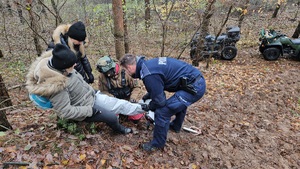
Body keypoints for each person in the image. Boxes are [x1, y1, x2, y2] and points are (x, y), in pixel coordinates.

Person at [26, 44, 146, 134]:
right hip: (86, 108)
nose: (75, 66)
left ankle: (144, 108)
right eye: (72, 65)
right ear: (64, 67)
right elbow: (65, 111)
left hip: (91, 95)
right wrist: (89, 111)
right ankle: (120, 130)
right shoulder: (56, 87)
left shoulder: (59, 64)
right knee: (112, 117)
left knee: (119, 104)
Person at [120, 54, 206, 151]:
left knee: (162, 112)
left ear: (130, 67)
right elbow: (159, 83)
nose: (127, 73)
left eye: (126, 70)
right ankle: (175, 126)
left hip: (195, 86)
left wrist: (149, 106)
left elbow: (160, 102)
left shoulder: (148, 74)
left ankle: (157, 144)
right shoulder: (148, 65)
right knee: (176, 103)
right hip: (192, 81)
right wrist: (150, 95)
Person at [96, 55, 144, 123]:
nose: (107, 75)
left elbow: (137, 87)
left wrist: (133, 98)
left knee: (136, 118)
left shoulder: (127, 71)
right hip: (115, 102)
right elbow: (103, 91)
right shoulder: (102, 77)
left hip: (129, 100)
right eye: (105, 73)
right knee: (110, 118)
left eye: (108, 72)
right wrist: (112, 99)